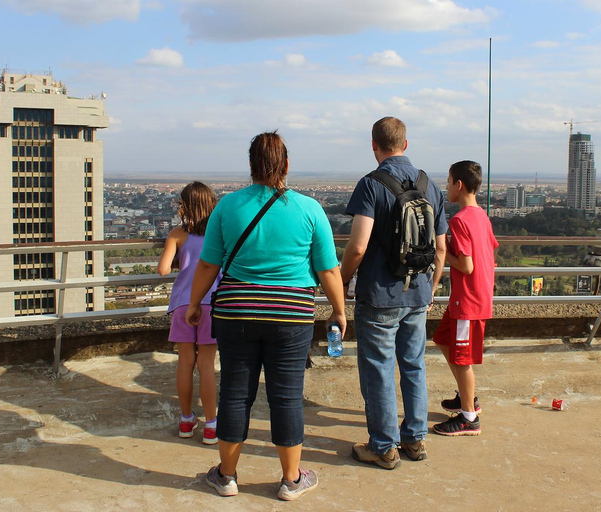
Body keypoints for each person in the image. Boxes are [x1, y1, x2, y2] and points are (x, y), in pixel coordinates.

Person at [186, 131, 346, 501]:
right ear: (286, 165)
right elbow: (328, 270)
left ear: (251, 166)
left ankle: (226, 476)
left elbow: (209, 264)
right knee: (287, 397)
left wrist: (194, 304)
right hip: (291, 316)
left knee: (235, 394)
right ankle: (291, 479)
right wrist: (338, 311)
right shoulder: (310, 210)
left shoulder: (227, 207)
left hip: (236, 312)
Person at [341, 117, 447, 469]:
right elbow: (442, 247)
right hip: (417, 292)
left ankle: (384, 447)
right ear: (406, 143)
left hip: (379, 296)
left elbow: (357, 247)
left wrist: (342, 281)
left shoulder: (371, 185)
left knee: (379, 370)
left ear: (374, 145)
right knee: (414, 366)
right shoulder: (429, 185)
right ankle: (415, 441)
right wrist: (429, 289)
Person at [432, 160, 498, 436]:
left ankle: (469, 417)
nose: (447, 187)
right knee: (443, 339)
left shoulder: (459, 220)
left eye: (448, 182)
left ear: (459, 185)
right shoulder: (481, 216)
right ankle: (465, 396)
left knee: (461, 359)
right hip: (476, 296)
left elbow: (467, 265)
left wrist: (442, 250)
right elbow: (490, 251)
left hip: (467, 301)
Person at [157, 181, 220, 445]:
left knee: (185, 363)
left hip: (183, 303)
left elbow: (162, 270)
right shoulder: (219, 235)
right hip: (212, 303)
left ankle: (185, 420)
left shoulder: (177, 235)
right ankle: (211, 426)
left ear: (185, 207)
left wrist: (180, 260)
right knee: (206, 365)